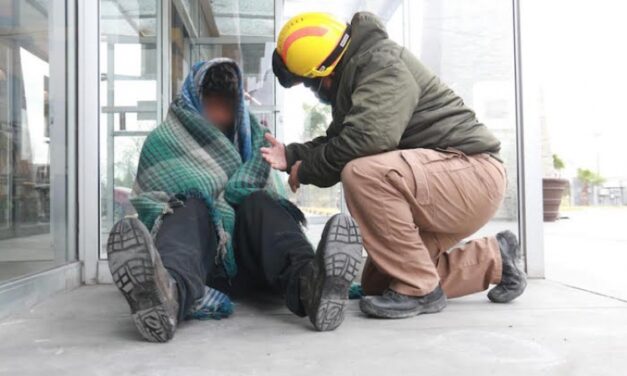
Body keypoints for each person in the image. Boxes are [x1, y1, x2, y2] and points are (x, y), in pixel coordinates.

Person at [262, 12, 527, 319]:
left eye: (310, 85)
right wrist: (293, 156)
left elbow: (366, 140)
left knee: (360, 173)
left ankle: (421, 290)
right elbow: (341, 139)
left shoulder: (381, 65)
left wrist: (306, 170)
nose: (315, 92)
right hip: (444, 179)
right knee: (382, 280)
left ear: (325, 72)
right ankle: (495, 258)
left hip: (471, 173)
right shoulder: (361, 71)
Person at [107, 58, 363, 342]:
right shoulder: (162, 141)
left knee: (260, 202)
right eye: (211, 103)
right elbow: (152, 204)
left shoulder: (255, 142)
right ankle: (167, 295)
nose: (219, 115)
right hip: (198, 266)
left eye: (227, 105)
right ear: (194, 100)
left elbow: (272, 197)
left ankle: (310, 284)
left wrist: (237, 200)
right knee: (189, 205)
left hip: (254, 263)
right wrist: (204, 204)